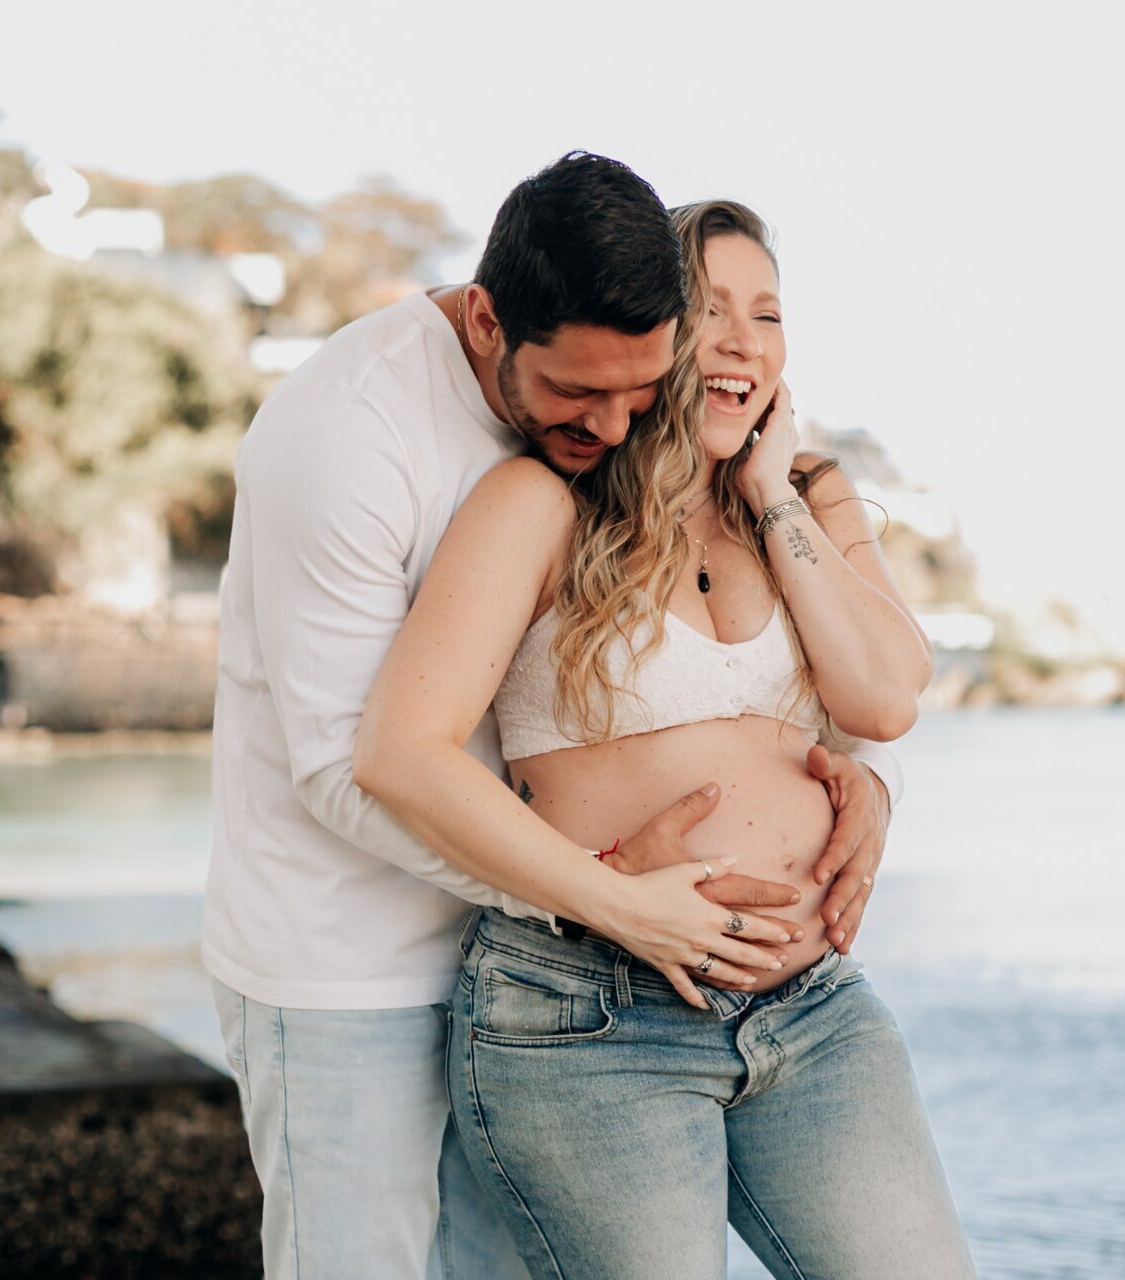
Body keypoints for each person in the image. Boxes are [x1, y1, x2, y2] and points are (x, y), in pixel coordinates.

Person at [203, 154, 904, 1279]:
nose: (617, 426)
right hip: (354, 959)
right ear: (489, 323)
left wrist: (862, 784)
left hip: (540, 951)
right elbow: (345, 764)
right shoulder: (347, 431)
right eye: (583, 395)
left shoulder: (608, 392)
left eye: (642, 389)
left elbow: (747, 689)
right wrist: (604, 893)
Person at [356, 200, 975, 1277]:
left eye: (767, 315)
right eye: (711, 309)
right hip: (596, 1015)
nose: (744, 341)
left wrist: (772, 494)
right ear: (652, 333)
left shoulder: (808, 499)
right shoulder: (540, 503)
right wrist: (618, 900)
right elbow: (401, 753)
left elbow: (883, 701)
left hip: (812, 1007)